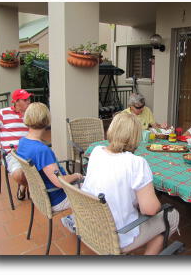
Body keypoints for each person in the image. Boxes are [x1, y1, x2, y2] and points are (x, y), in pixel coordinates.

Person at [81, 112, 179, 255]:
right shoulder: (136, 163)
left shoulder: (96, 151)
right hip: (117, 235)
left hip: (90, 226)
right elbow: (150, 210)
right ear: (136, 136)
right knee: (171, 215)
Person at [17, 102, 83, 212]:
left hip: (41, 196)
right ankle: (78, 223)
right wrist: (76, 175)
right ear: (46, 120)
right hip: (57, 198)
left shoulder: (23, 142)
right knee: (94, 191)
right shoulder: (42, 151)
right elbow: (60, 182)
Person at [0, 89, 33, 200]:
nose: (29, 101)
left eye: (29, 99)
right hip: (12, 153)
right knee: (19, 174)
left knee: (47, 167)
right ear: (16, 102)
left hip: (30, 151)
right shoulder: (4, 113)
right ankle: (30, 187)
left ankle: (28, 186)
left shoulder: (31, 114)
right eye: (25, 100)